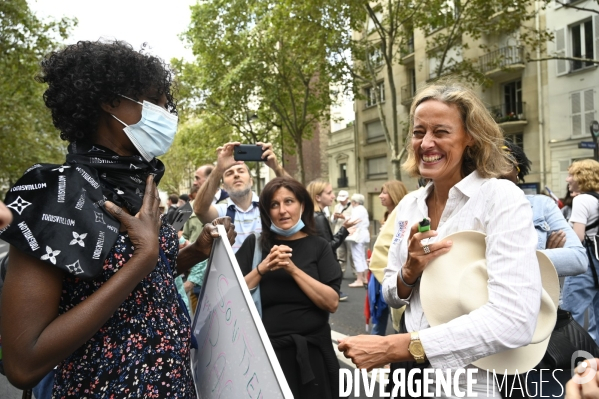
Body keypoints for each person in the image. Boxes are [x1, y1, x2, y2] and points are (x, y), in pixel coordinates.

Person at [0, 40, 236, 397]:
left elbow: (137, 282)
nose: (166, 114)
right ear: (109, 101)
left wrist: (194, 253)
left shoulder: (137, 186)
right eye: (155, 101)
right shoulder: (56, 194)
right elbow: (24, 364)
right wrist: (142, 259)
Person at [338, 84, 543, 397]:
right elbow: (393, 294)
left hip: (471, 384)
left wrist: (395, 348)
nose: (426, 143)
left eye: (441, 132)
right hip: (407, 378)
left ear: (470, 136)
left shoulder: (500, 198)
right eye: (419, 132)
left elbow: (514, 320)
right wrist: (408, 272)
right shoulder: (410, 205)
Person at [235, 177, 341, 399]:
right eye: (274, 204)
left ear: (302, 205)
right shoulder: (254, 245)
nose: (282, 210)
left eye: (289, 202)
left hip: (313, 355)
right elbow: (231, 298)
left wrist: (292, 269)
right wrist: (262, 269)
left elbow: (331, 302)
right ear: (266, 211)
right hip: (265, 356)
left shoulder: (318, 246)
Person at [502, 140, 587, 397]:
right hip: (497, 329)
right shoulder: (473, 209)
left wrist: (535, 256)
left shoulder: (540, 206)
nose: (495, 167)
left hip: (543, 323)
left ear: (518, 169)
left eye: (505, 160)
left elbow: (576, 259)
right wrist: (546, 256)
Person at [193, 141, 288, 253]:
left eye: (241, 171)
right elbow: (199, 210)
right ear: (224, 187)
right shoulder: (222, 212)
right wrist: (219, 168)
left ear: (251, 181)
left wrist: (276, 166)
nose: (236, 175)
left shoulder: (268, 207)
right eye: (229, 173)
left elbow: (297, 198)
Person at [562, 159, 599, 345]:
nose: (568, 179)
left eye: (572, 175)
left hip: (586, 264)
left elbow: (577, 237)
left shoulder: (582, 200)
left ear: (582, 177)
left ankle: (569, 356)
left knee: (569, 313)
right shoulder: (596, 198)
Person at [307, 179, 359, 302]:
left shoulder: (313, 215)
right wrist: (344, 230)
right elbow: (328, 247)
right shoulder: (318, 217)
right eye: (329, 193)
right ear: (318, 197)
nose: (333, 196)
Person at [369, 180, 408, 336]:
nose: (380, 196)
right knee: (379, 313)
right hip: (381, 273)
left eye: (384, 192)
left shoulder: (404, 216)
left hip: (393, 274)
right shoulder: (387, 216)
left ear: (395, 194)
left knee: (392, 314)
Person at [347, 193, 370, 288]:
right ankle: (365, 278)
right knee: (362, 256)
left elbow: (353, 221)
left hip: (357, 235)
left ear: (355, 202)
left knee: (357, 257)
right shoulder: (363, 209)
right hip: (364, 234)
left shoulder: (356, 210)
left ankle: (359, 279)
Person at [331, 190, 354, 275]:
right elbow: (332, 221)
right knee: (340, 253)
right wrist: (334, 217)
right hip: (339, 231)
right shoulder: (337, 206)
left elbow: (355, 218)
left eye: (343, 199)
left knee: (352, 254)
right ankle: (341, 272)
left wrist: (344, 216)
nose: (341, 200)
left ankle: (356, 273)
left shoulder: (352, 206)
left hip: (349, 232)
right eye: (340, 199)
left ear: (347, 198)